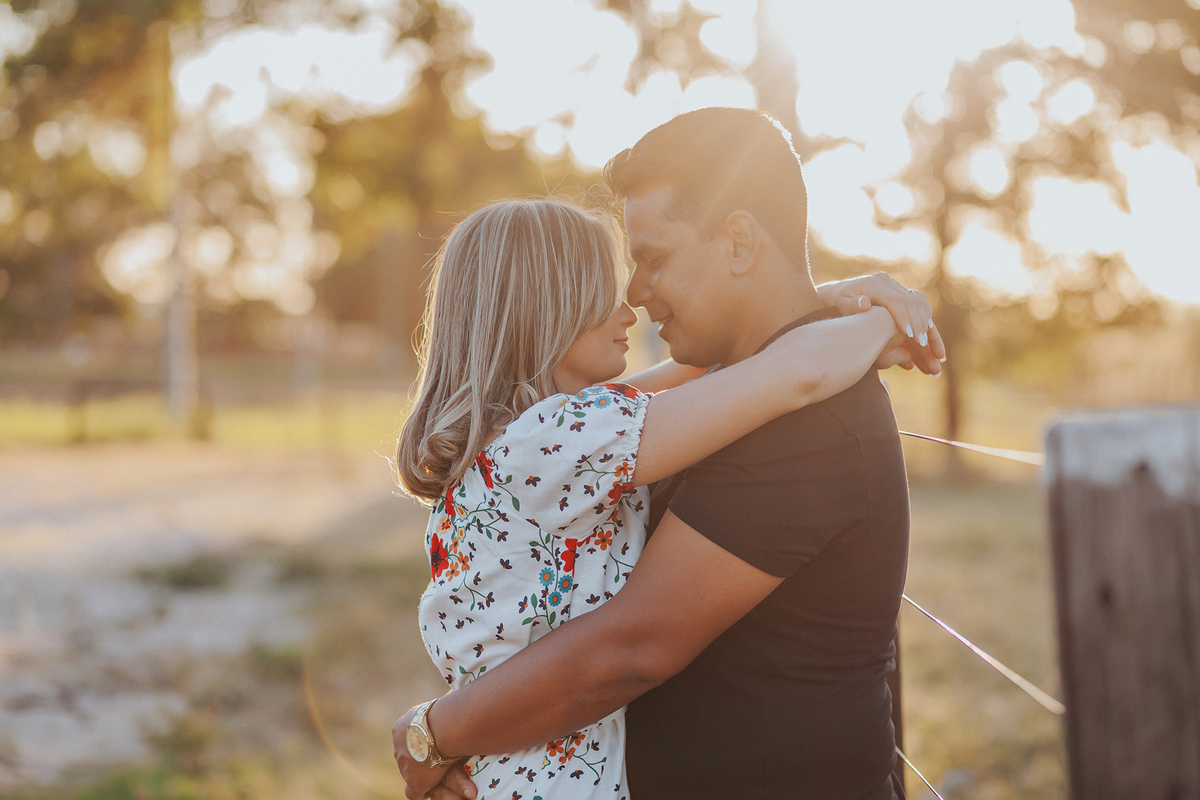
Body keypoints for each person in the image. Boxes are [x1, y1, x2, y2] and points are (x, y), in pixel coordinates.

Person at [395, 108, 944, 800]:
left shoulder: (808, 422)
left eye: (653, 258)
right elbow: (739, 374)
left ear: (739, 243)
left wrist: (434, 734)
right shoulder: (611, 425)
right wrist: (854, 313)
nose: (633, 293)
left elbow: (629, 648)